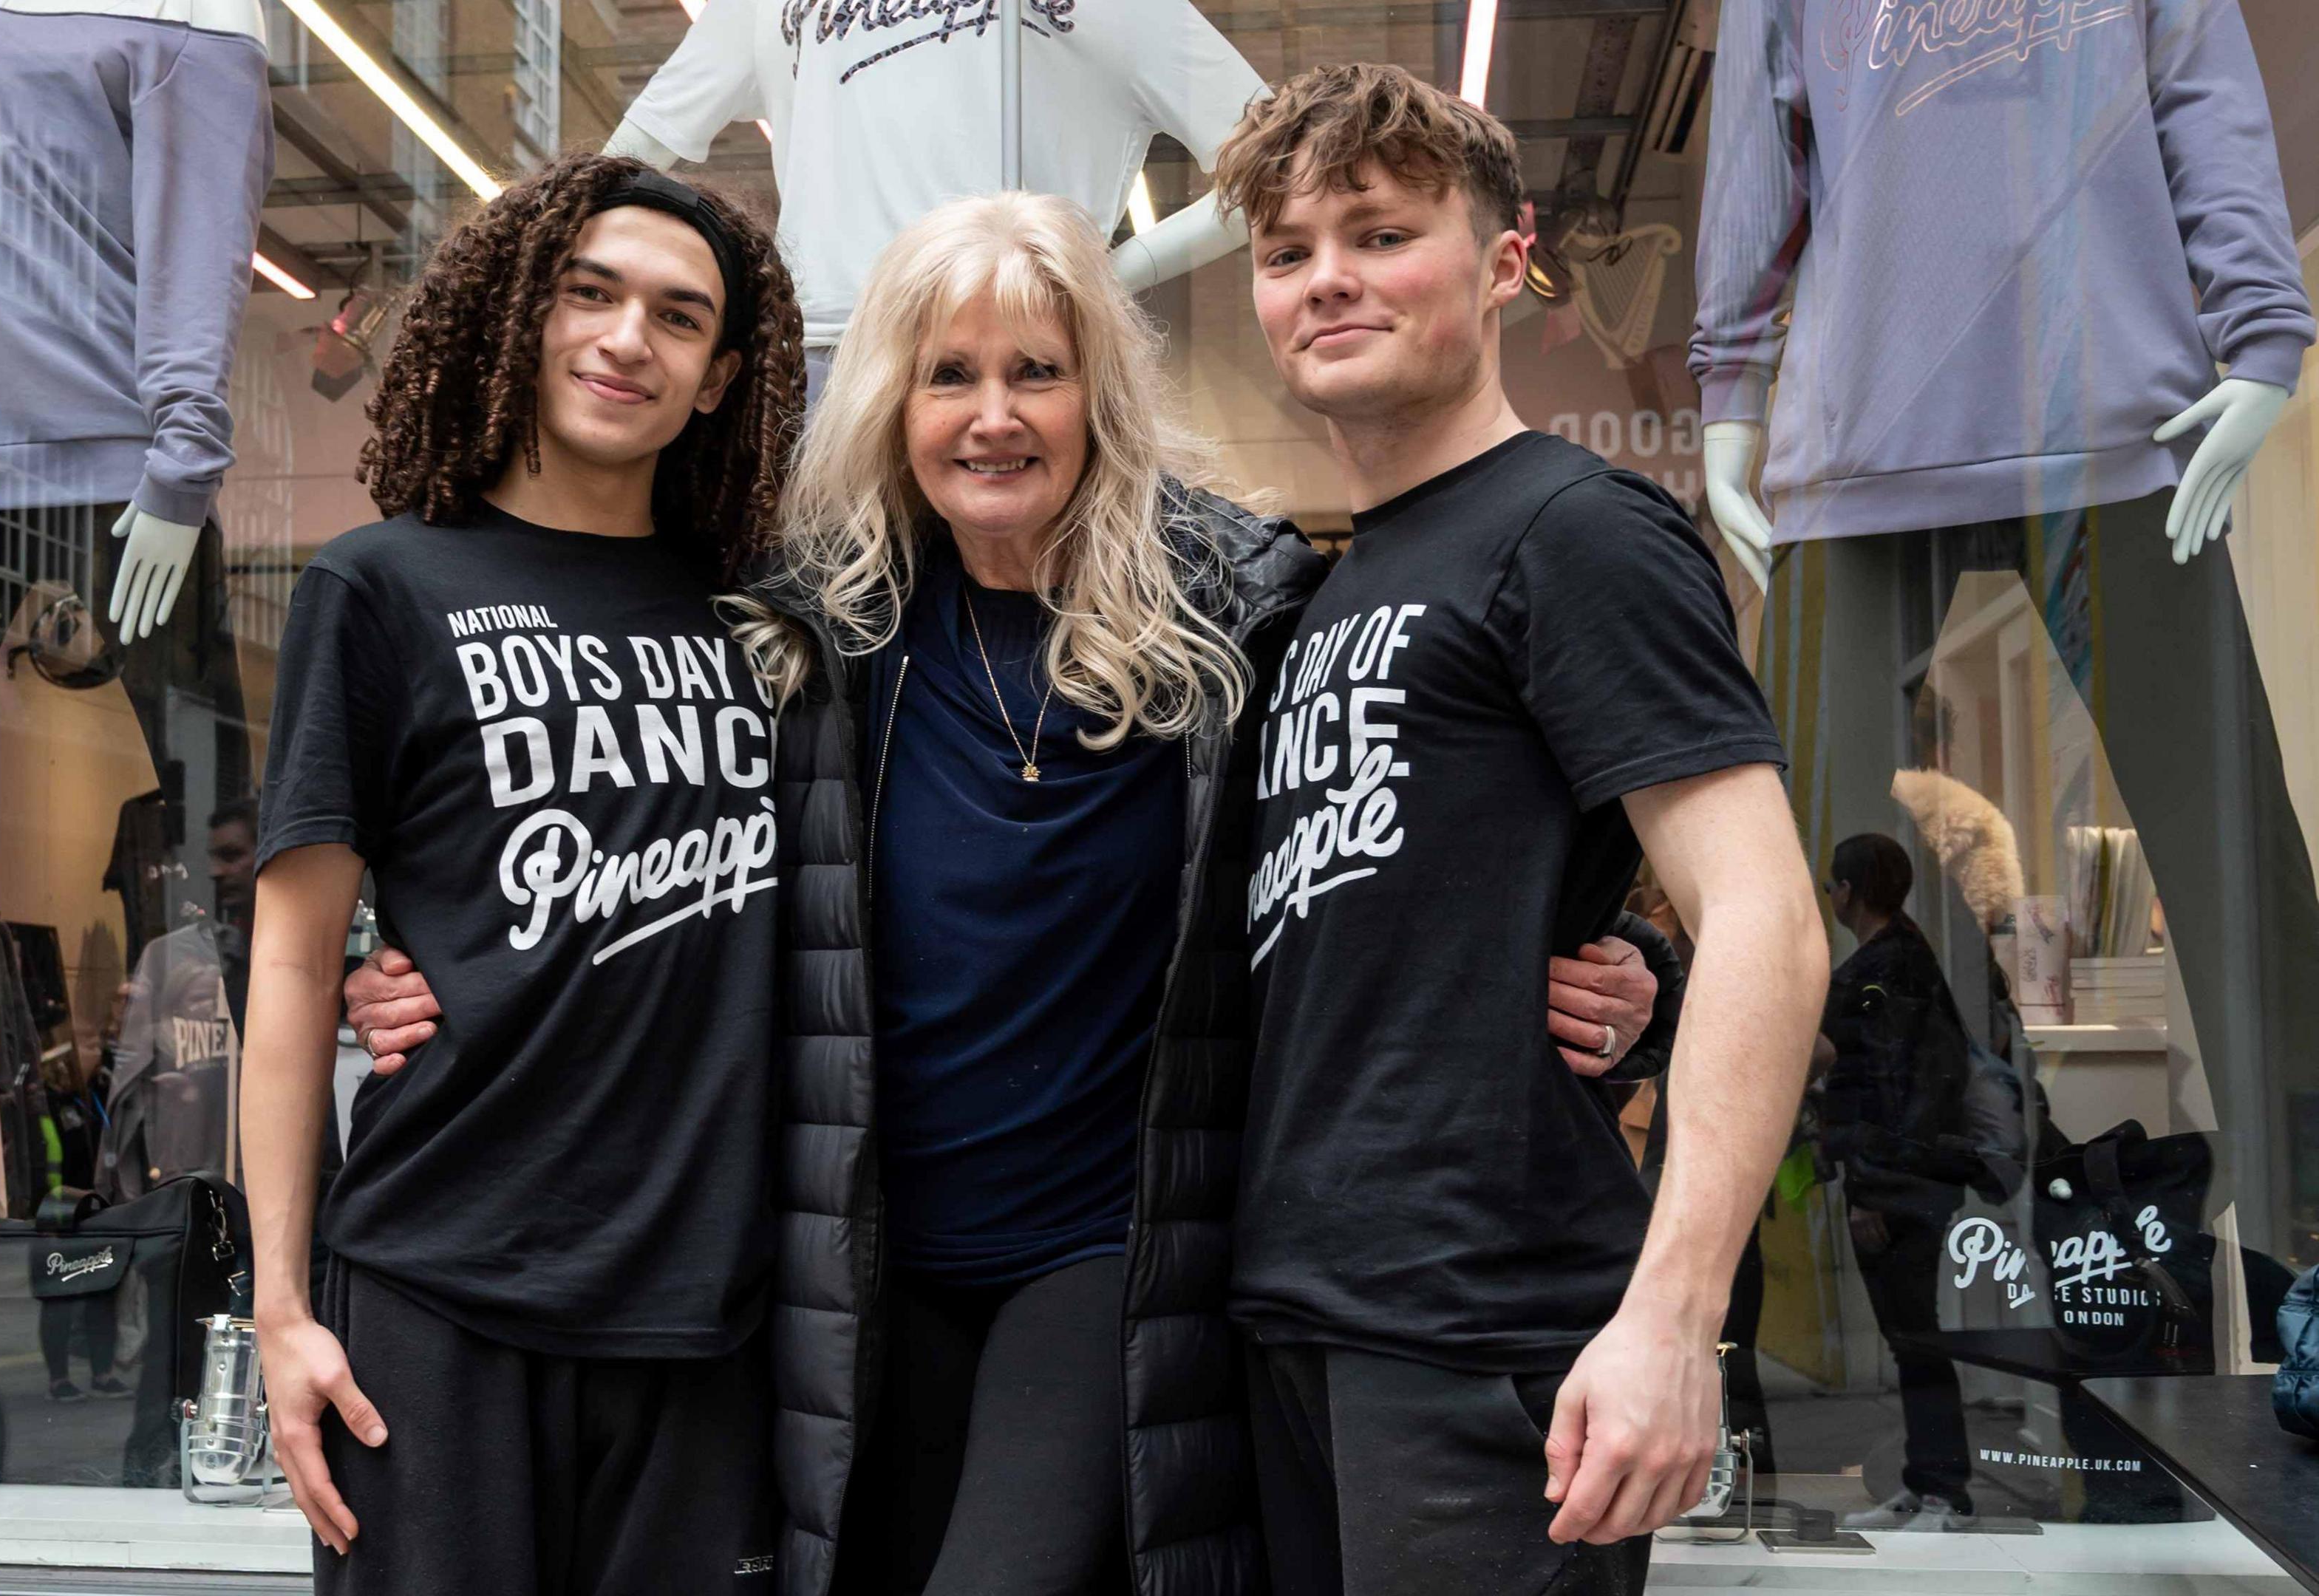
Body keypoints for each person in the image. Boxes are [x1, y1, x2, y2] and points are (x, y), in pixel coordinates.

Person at [344, 191, 1684, 1595]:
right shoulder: (810, 636)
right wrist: (425, 957)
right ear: (896, 405)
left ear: (1096, 394)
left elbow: (1403, 848)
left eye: (1036, 372)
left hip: (1102, 1252)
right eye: (951, 377)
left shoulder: (1236, 619)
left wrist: (1625, 960)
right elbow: (631, 839)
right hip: (860, 1273)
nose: (995, 416)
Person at [1210, 64, 1829, 1593]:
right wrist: (1608, 958)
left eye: (1378, 234)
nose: (1326, 280)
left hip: (1485, 1325)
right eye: (1287, 253)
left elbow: (1767, 920)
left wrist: (1675, 1322)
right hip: (1306, 1314)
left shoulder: (1579, 529)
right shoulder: (1331, 586)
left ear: (1501, 262)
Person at [240, 154, 806, 1595]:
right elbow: (299, 966)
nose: (627, 339)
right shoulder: (379, 588)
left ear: (723, 376)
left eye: (679, 319)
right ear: (520, 312)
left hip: (705, 1319)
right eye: (590, 292)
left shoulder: (777, 628)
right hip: (437, 1293)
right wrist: (283, 1310)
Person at [1814, 833, 1980, 1532]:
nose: (1829, 898)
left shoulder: (1877, 975)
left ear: (1848, 891)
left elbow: (1879, 1092)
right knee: (1912, 1335)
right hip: (1919, 1176)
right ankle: (1927, 1484)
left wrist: (1870, 1191)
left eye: (1832, 885)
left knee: (1915, 1336)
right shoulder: (1913, 961)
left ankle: (1944, 1489)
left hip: (1898, 1183)